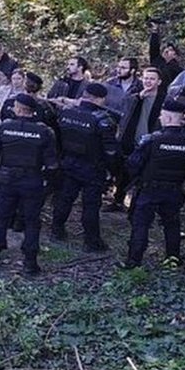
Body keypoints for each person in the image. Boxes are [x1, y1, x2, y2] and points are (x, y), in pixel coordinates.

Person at [120, 100, 185, 269]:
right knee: (172, 225)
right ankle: (173, 259)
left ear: (169, 117)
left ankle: (134, 261)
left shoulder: (152, 140)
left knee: (140, 225)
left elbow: (133, 164)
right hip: (175, 190)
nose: (160, 117)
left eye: (162, 115)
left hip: (149, 189)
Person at [0, 94, 58, 274]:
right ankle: (30, 263)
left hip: (7, 180)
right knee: (32, 222)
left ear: (18, 108)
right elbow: (52, 165)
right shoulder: (45, 132)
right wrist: (50, 185)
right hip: (33, 181)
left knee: (1, 218)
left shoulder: (4, 128)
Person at [50, 83, 119, 250]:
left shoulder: (66, 113)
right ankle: (91, 241)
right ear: (100, 99)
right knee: (91, 205)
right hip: (92, 168)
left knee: (65, 199)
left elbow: (57, 138)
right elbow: (111, 151)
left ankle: (56, 229)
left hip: (68, 163)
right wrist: (114, 171)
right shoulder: (103, 120)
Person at [110, 66, 167, 211]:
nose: (148, 81)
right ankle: (118, 200)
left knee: (144, 175)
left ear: (159, 82)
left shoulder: (164, 99)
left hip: (150, 142)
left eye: (152, 79)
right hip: (130, 140)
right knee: (124, 172)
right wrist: (139, 96)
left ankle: (137, 206)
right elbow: (124, 105)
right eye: (146, 78)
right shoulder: (135, 95)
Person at [147, 21, 182, 86]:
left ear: (175, 55)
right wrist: (155, 31)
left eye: (170, 50)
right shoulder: (156, 60)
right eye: (166, 48)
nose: (167, 51)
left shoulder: (177, 69)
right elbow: (154, 46)